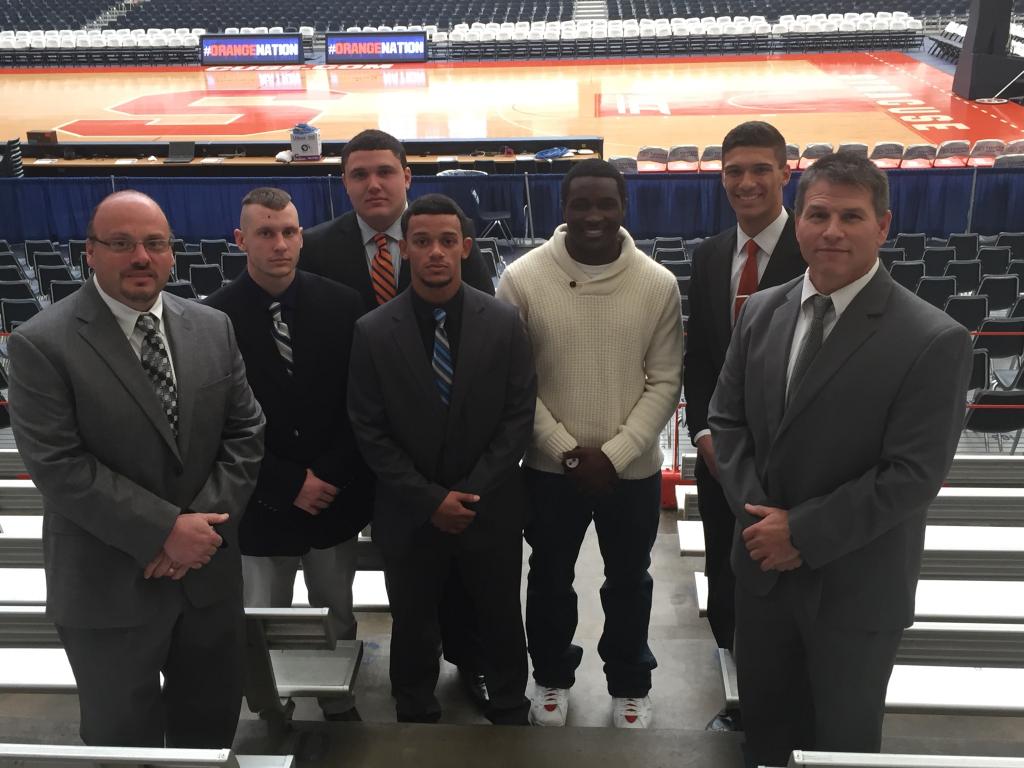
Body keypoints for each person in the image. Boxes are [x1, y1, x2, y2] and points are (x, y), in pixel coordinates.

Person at [709, 152, 972, 766]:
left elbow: (913, 475)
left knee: (843, 745)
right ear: (796, 220)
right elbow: (727, 421)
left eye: (851, 216)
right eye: (818, 213)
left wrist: (798, 532)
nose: (832, 231)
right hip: (763, 577)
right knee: (768, 737)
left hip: (854, 590)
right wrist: (758, 524)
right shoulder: (761, 311)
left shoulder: (932, 338)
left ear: (883, 226)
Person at [7, 190, 265, 747]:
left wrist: (197, 531)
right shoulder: (40, 344)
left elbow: (246, 433)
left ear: (171, 253)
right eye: (120, 244)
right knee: (122, 740)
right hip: (108, 587)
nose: (140, 257)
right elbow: (59, 466)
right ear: (90, 253)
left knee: (211, 731)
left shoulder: (212, 327)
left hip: (206, 578)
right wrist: (165, 531)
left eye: (153, 243)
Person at [300, 128, 492, 706]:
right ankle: (380, 673)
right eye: (359, 174)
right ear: (344, 183)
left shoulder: (450, 240)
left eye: (385, 171)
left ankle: (468, 660)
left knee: (455, 569)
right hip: (352, 446)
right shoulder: (314, 246)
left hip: (439, 452)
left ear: (407, 176)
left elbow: (477, 346)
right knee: (390, 574)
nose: (374, 183)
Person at [496, 159, 684, 729]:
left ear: (624, 207)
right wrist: (566, 452)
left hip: (631, 473)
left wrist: (618, 454)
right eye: (582, 204)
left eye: (606, 203)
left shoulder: (657, 284)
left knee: (629, 581)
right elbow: (514, 383)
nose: (594, 215)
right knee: (550, 578)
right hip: (551, 472)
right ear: (564, 208)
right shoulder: (522, 280)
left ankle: (630, 682)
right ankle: (551, 678)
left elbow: (665, 379)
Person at [348, 193, 535, 726]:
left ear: (465, 248)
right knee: (412, 619)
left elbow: (518, 416)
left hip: (489, 507)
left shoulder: (503, 322)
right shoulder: (373, 330)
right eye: (423, 241)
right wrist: (430, 499)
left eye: (447, 242)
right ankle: (413, 705)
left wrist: (468, 494)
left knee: (499, 613)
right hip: (409, 512)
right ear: (404, 249)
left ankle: (508, 701)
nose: (435, 252)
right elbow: (370, 429)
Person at [203, 187, 372, 720]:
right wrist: (285, 483)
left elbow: (361, 404)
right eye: (266, 233)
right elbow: (217, 427)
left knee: (337, 610)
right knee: (263, 614)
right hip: (260, 504)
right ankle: (270, 702)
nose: (280, 244)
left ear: (302, 235)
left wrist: (326, 474)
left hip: (333, 496)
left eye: (290, 232)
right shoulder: (213, 320)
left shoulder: (343, 304)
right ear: (240, 240)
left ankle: (338, 699)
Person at [683, 120, 807, 732]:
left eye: (761, 168)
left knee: (780, 581)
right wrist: (704, 435)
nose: (748, 182)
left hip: (790, 463)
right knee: (725, 572)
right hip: (718, 458)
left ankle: (779, 702)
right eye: (735, 171)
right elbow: (701, 358)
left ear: (788, 172)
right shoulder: (709, 255)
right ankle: (739, 692)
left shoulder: (813, 248)